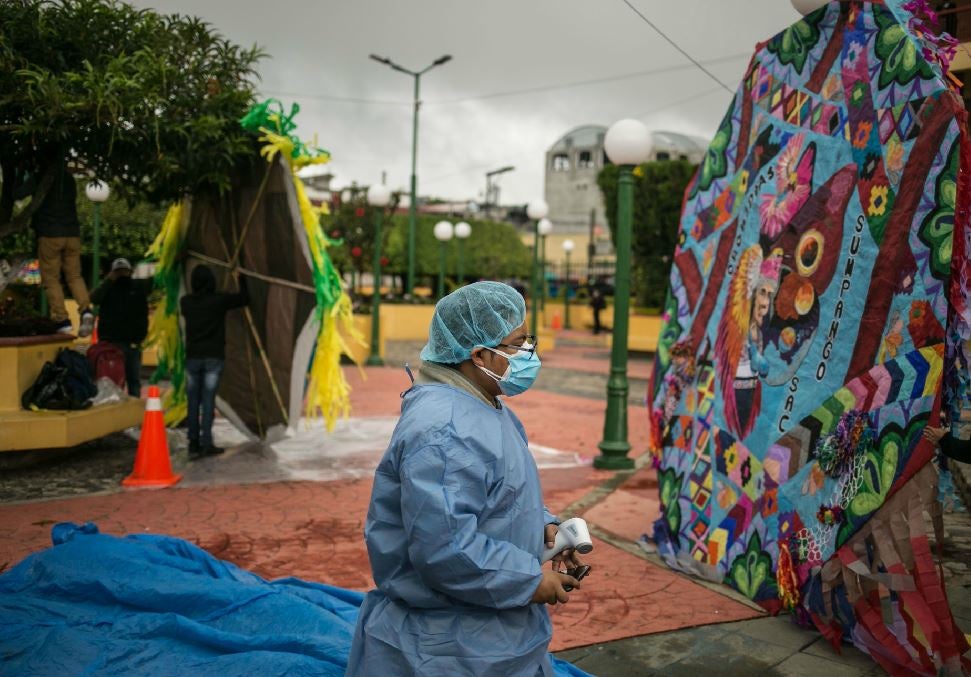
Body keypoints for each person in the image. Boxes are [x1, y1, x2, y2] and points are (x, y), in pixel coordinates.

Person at [347, 281, 584, 677]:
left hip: (491, 630)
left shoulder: (488, 404)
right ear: (479, 355)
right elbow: (445, 548)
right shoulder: (444, 431)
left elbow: (500, 492)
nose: (529, 353)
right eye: (519, 343)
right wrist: (528, 583)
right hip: (450, 645)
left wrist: (544, 526)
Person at [180, 265, 249, 459]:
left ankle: (193, 443)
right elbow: (244, 298)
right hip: (213, 357)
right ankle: (207, 442)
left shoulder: (186, 302)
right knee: (208, 400)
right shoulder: (219, 301)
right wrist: (240, 278)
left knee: (193, 401)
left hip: (193, 357)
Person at [20, 159, 95, 336]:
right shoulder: (68, 179)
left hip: (49, 234)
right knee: (74, 276)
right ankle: (86, 311)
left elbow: (18, 194)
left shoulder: (40, 176)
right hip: (72, 234)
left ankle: (62, 320)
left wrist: (20, 174)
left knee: (51, 279)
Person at [90, 258, 151, 397]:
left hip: (129, 342)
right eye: (119, 272)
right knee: (115, 380)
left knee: (130, 380)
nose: (122, 275)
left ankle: (132, 409)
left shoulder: (137, 287)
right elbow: (94, 298)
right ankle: (118, 408)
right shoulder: (108, 288)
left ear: (130, 272)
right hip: (113, 342)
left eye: (124, 271)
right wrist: (109, 281)